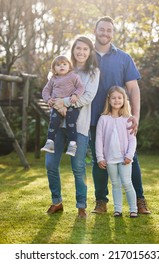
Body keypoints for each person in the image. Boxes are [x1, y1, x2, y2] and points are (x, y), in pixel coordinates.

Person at [90, 16, 151, 214]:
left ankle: (140, 200)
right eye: (102, 29)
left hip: (122, 120)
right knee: (98, 160)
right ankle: (101, 202)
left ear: (112, 33)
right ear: (95, 30)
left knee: (131, 158)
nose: (105, 33)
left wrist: (136, 117)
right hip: (92, 119)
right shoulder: (85, 55)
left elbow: (133, 89)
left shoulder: (124, 58)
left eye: (109, 30)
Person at [44, 36, 99, 218]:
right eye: (78, 48)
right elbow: (49, 90)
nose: (81, 52)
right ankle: (56, 201)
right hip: (58, 125)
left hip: (80, 125)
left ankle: (81, 206)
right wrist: (52, 101)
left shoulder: (93, 72)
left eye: (85, 49)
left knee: (78, 167)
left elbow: (86, 97)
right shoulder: (62, 67)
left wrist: (62, 102)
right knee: (50, 164)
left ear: (90, 52)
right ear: (73, 50)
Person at [95, 86, 138, 218]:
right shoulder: (103, 119)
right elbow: (99, 139)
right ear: (109, 100)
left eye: (119, 98)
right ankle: (117, 209)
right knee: (115, 184)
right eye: (113, 98)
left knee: (127, 182)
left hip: (125, 158)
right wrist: (100, 157)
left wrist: (129, 155)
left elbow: (132, 140)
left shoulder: (128, 119)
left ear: (124, 100)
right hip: (110, 159)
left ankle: (133, 209)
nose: (116, 100)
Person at [41, 55, 85, 156]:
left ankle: (73, 144)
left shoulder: (73, 76)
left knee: (71, 122)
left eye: (64, 64)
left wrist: (76, 94)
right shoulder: (53, 79)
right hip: (57, 105)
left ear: (69, 66)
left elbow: (81, 87)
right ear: (54, 68)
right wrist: (48, 99)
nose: (62, 66)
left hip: (71, 105)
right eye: (58, 65)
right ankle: (50, 142)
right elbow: (46, 90)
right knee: (53, 122)